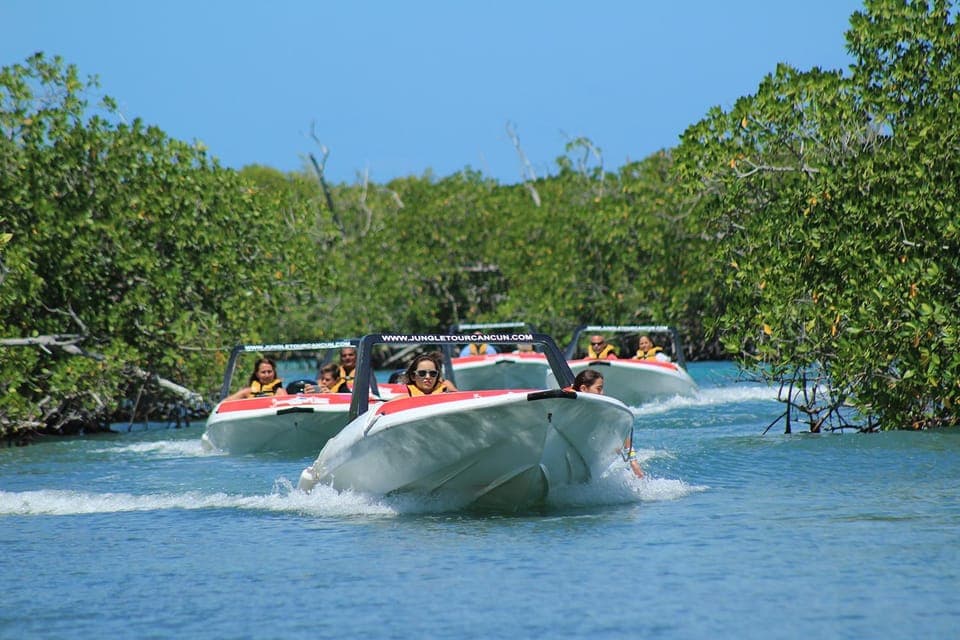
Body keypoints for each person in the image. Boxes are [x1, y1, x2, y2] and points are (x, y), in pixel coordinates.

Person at [572, 369, 643, 479]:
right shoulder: (567, 403)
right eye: (599, 389)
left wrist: (633, 461)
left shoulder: (605, 410)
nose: (602, 393)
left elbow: (623, 430)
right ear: (583, 389)